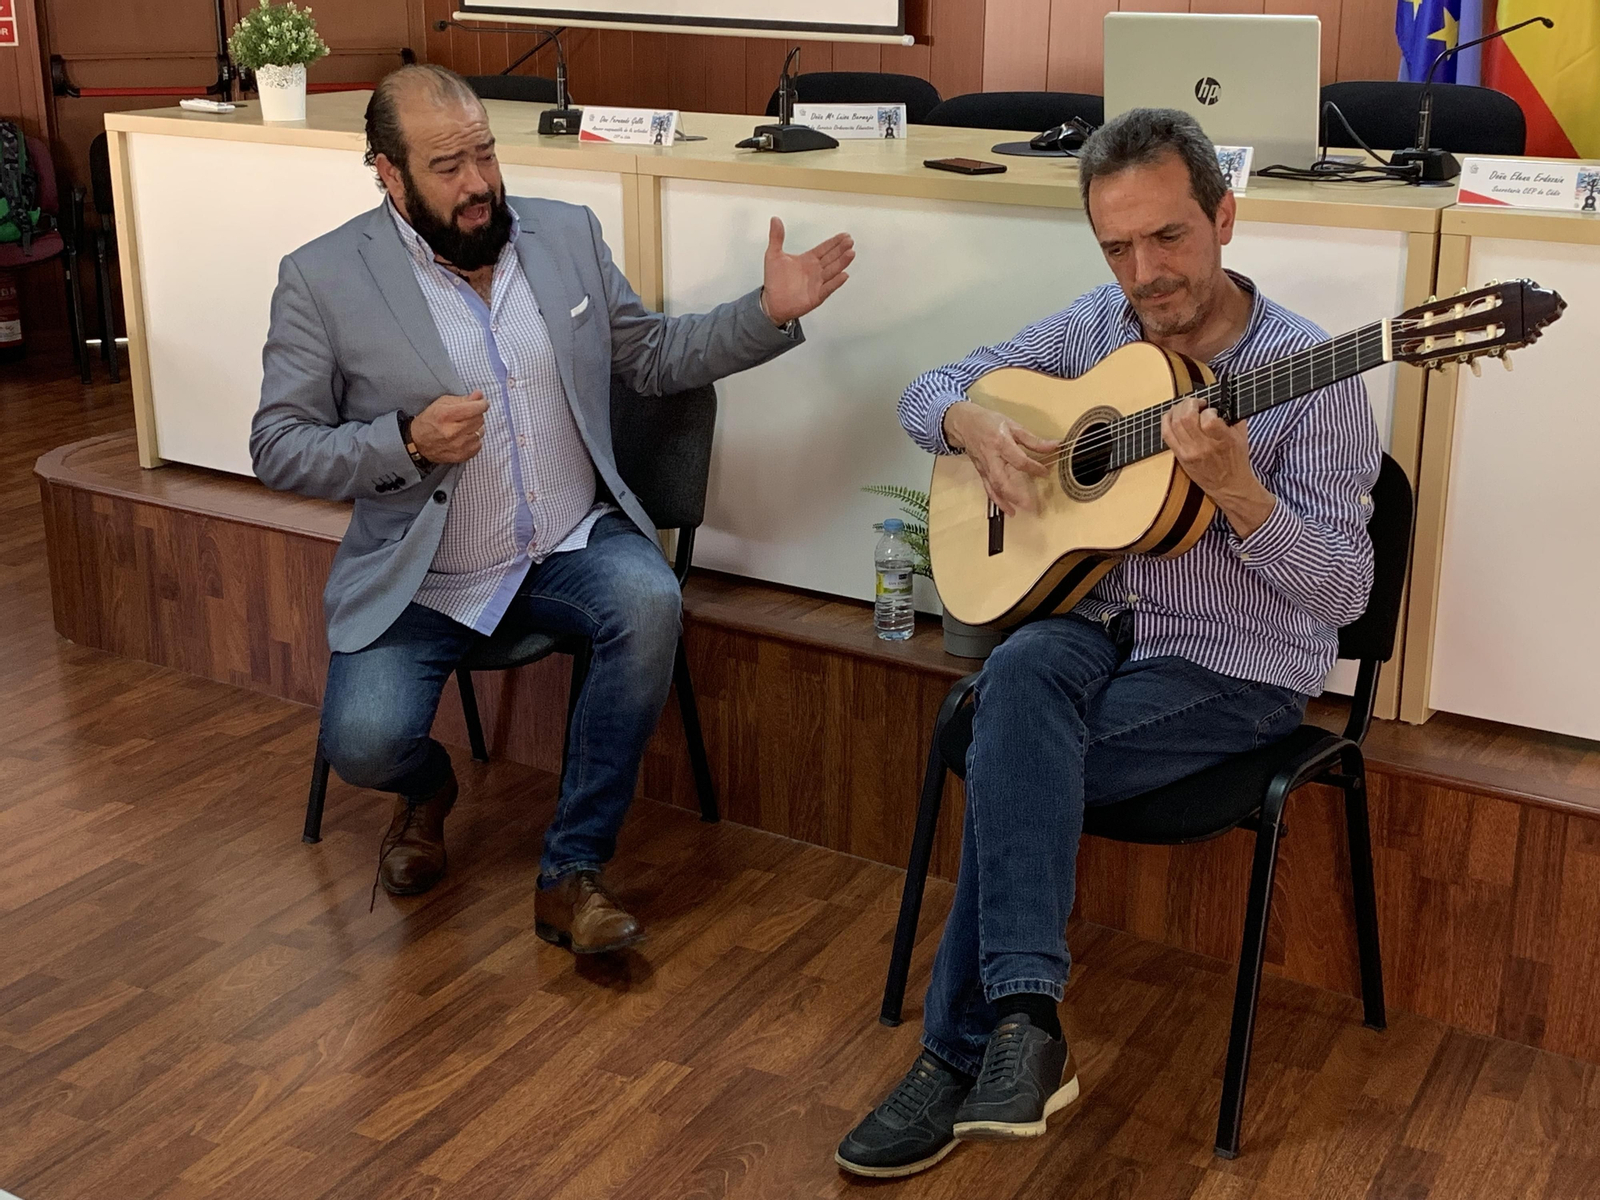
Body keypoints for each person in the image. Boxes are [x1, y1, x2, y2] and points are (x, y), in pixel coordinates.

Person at [835, 107, 1379, 1178]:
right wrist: (969, 425)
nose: (1146, 272)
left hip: (1234, 672)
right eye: (1117, 247)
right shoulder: (1096, 329)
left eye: (1167, 238)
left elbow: (1344, 594)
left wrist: (1237, 493)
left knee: (1013, 760)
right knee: (1025, 667)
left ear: (1224, 216)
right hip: (1096, 637)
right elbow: (924, 389)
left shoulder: (1312, 374)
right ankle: (1027, 1029)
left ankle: (957, 1057)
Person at [250, 65, 854, 952]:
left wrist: (765, 311)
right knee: (365, 746)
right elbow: (278, 445)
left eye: (485, 154)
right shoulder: (322, 279)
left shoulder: (564, 235)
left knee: (649, 602)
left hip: (572, 542)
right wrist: (405, 443)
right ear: (388, 173)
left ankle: (572, 869)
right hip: (428, 575)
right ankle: (428, 788)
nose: (479, 183)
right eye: (448, 166)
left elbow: (650, 359)